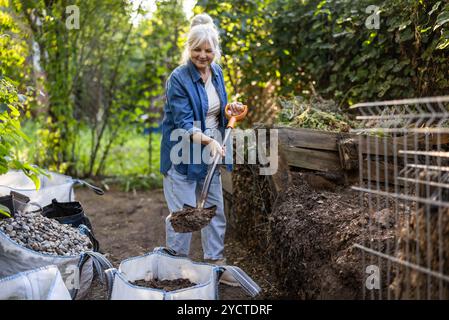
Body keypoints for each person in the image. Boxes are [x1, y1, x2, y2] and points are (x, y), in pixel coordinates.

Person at [160, 13, 244, 286]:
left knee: (214, 210)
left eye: (208, 50)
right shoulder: (178, 79)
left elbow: (216, 107)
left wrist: (229, 109)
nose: (203, 55)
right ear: (188, 49)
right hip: (183, 155)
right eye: (197, 49)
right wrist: (209, 140)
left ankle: (215, 266)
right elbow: (184, 125)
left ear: (215, 51)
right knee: (184, 215)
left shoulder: (216, 72)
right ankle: (175, 268)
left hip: (210, 153)